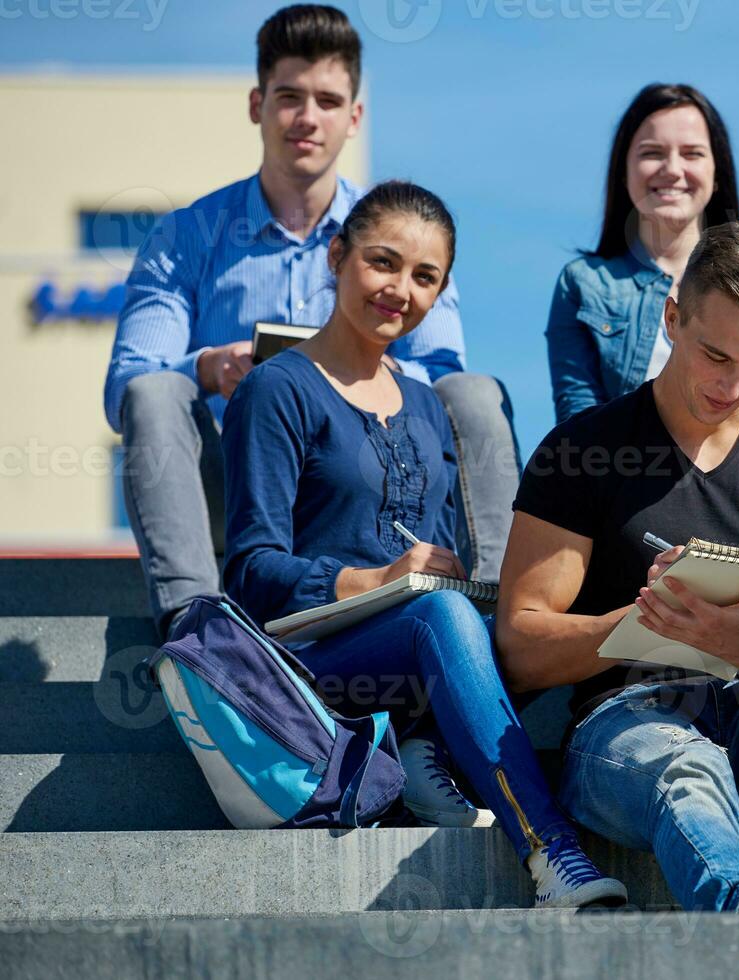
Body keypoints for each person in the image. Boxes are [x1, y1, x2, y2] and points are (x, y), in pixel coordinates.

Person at [221, 180, 625, 908]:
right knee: (441, 619)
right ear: (336, 257)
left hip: (417, 650)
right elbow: (250, 573)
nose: (399, 290)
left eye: (424, 277)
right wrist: (375, 579)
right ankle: (550, 850)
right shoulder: (275, 389)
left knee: (532, 618)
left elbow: (436, 552)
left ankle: (427, 750)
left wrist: (453, 577)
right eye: (382, 262)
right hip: (310, 664)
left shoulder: (428, 408)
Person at [495, 219, 739, 913]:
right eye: (716, 356)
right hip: (628, 730)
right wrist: (641, 626)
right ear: (672, 318)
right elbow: (520, 647)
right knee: (689, 762)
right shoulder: (582, 450)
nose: (733, 386)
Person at [104, 4, 519, 637]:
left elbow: (439, 376)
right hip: (239, 486)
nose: (307, 118)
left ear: (354, 116)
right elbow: (125, 385)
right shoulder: (186, 235)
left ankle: (491, 607)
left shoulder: (401, 235)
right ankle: (197, 629)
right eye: (289, 96)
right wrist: (212, 368)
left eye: (327, 100)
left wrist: (338, 374)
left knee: (472, 391)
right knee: (154, 390)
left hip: (361, 485)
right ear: (257, 104)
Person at [547, 83, 739, 423]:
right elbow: (577, 422)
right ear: (624, 171)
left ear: (717, 173)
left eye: (692, 153)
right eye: (652, 153)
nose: (673, 169)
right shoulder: (583, 284)